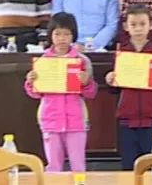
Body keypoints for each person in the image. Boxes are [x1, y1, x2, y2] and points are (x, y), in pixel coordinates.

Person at [23, 13, 97, 172]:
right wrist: (30, 82)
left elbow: (91, 93)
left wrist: (86, 83)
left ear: (73, 35)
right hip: (50, 120)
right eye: (57, 34)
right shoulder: (43, 61)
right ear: (50, 35)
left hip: (76, 121)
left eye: (66, 34)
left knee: (78, 166)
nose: (62, 38)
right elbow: (35, 94)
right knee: (54, 167)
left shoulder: (82, 61)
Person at [105, 4, 152, 169]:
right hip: (127, 119)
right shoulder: (122, 54)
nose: (138, 29)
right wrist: (110, 80)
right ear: (126, 26)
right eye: (133, 24)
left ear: (151, 25)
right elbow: (115, 90)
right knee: (129, 166)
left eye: (142, 24)